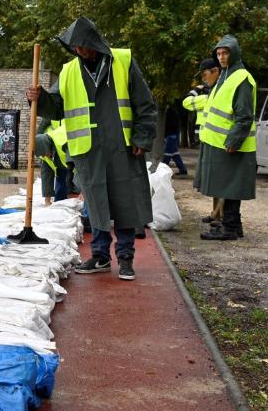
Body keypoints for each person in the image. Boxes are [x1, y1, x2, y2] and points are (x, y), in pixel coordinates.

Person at [26, 17, 156, 281]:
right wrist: (39, 99)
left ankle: (126, 256)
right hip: (88, 148)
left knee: (124, 202)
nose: (79, 51)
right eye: (74, 47)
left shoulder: (123, 61)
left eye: (83, 46)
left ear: (94, 42)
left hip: (122, 146)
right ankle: (100, 256)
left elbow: (145, 103)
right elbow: (57, 107)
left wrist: (142, 138)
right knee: (95, 204)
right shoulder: (68, 72)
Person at [197, 35, 256, 240]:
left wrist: (233, 140)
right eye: (219, 53)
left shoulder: (241, 78)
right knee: (229, 185)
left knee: (230, 186)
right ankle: (234, 226)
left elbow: (244, 115)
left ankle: (229, 228)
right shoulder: (226, 76)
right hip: (220, 142)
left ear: (234, 53)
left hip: (231, 144)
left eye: (225, 53)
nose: (221, 57)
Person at [183, 58, 225, 226]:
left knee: (222, 181)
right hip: (208, 139)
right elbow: (186, 103)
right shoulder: (207, 92)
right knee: (214, 180)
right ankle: (216, 214)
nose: (203, 79)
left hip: (219, 140)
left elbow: (189, 102)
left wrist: (199, 95)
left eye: (205, 74)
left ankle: (219, 215)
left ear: (215, 71)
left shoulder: (217, 92)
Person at [36, 118, 69, 204]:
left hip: (65, 146)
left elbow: (80, 171)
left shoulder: (64, 145)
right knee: (60, 198)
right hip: (51, 146)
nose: (43, 156)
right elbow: (46, 175)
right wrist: (47, 200)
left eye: (43, 154)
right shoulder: (44, 151)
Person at [162, 103, 188, 175]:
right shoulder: (173, 112)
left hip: (170, 134)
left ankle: (162, 170)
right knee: (175, 154)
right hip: (173, 134)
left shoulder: (170, 113)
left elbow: (170, 124)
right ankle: (182, 170)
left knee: (167, 154)